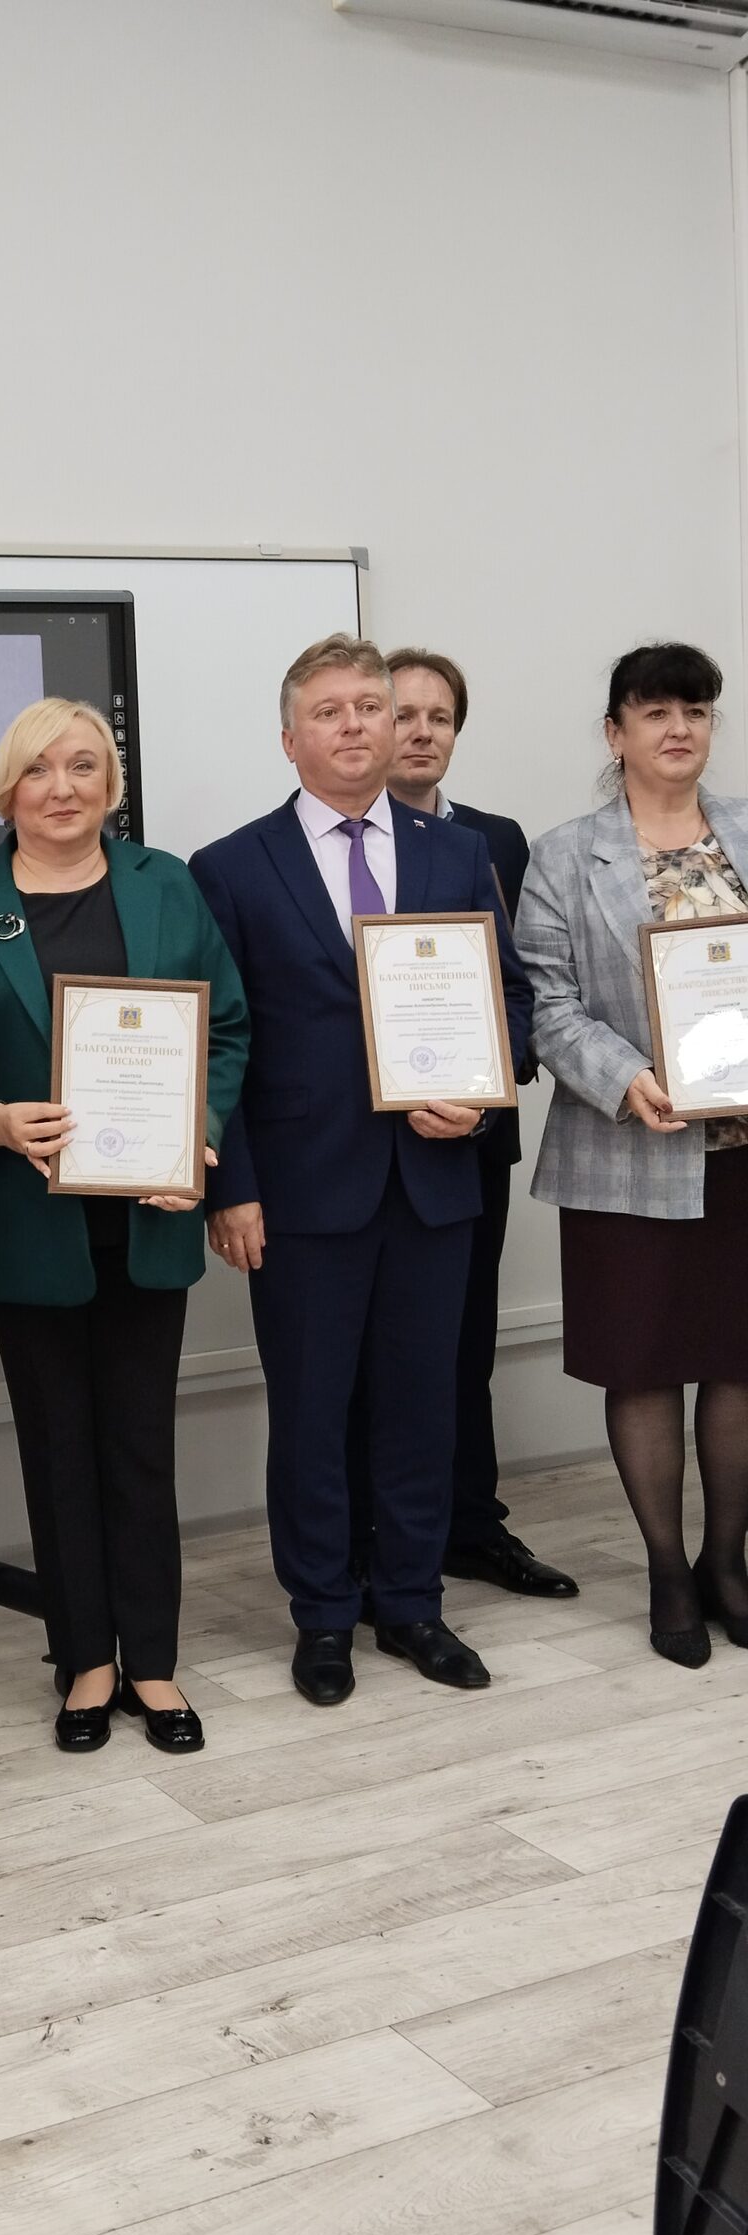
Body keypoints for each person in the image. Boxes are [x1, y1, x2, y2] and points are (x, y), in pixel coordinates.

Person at [189, 635, 532, 1707]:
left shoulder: (452, 852)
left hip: (435, 1181)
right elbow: (219, 1042)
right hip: (300, 1191)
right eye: (329, 711)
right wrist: (232, 1187)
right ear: (290, 738)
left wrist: (482, 1093)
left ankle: (414, 1603)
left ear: (394, 727)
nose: (355, 725)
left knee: (423, 1405)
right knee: (311, 1413)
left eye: (371, 708)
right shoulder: (230, 867)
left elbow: (511, 1002)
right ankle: (325, 1613)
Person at [0, 700, 248, 1750]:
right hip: (28, 1221)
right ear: (6, 787)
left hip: (150, 1216)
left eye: (85, 766)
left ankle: (152, 1662)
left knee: (141, 1446)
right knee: (58, 1447)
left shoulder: (167, 884)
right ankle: (85, 1663)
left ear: (112, 784)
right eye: (39, 769)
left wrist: (197, 1130)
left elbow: (226, 1028)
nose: (63, 787)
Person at [515, 641, 748, 1667]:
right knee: (645, 1364)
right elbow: (548, 1000)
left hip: (742, 1151)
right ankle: (666, 1571)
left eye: (696, 710)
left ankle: (726, 1562)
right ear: (616, 734)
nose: (679, 728)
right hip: (630, 1142)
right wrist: (624, 1077)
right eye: (655, 712)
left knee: (740, 1361)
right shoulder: (567, 855)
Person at [370, 647, 577, 1601]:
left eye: (439, 717)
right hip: (359, 1145)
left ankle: (471, 1524)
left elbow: (522, 985)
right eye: (403, 713)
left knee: (465, 1342)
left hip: (468, 1136)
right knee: (372, 1353)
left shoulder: (495, 840)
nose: (420, 732)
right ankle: (376, 1536)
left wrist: (498, 1071)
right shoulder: (331, 839)